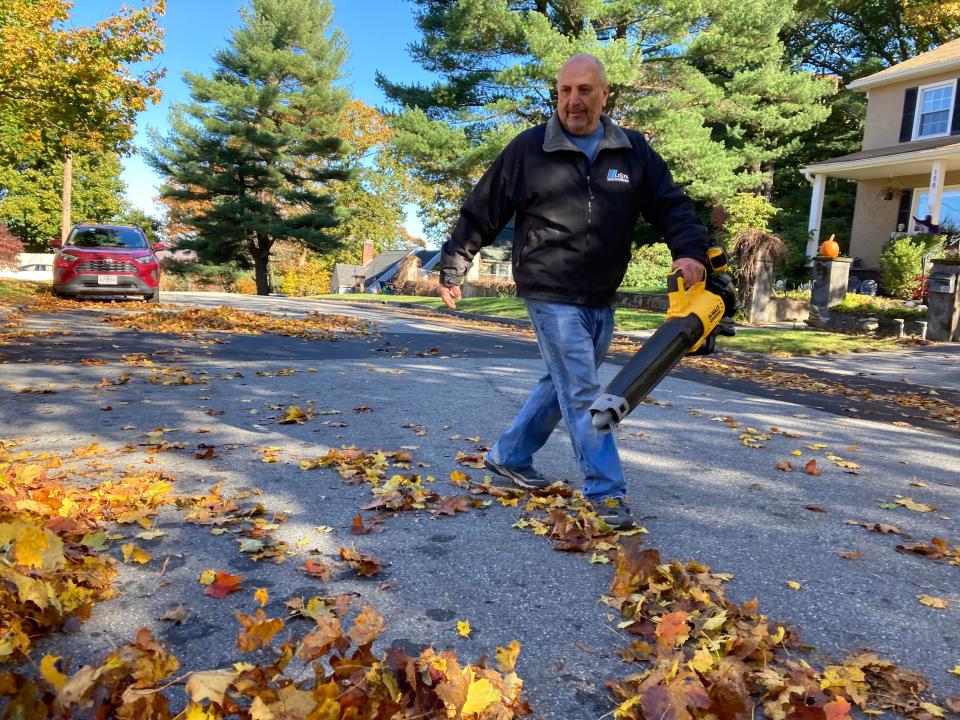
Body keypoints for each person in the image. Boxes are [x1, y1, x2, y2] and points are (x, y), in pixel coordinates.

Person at [437, 54, 709, 530]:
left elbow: (672, 206)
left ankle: (508, 457)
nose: (573, 100)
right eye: (564, 91)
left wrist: (690, 251)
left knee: (560, 382)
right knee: (583, 390)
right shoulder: (529, 150)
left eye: (584, 90)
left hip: (601, 294)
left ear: (605, 95)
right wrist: (454, 265)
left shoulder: (632, 152)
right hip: (549, 289)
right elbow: (483, 209)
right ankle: (605, 491)